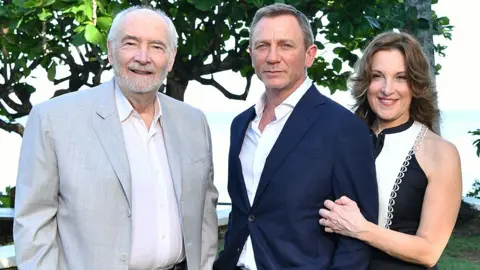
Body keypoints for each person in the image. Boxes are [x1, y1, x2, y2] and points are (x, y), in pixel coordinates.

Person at [13, 6, 218, 270]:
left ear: (171, 57)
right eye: (130, 43)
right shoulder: (53, 118)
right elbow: (33, 223)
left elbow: (205, 213)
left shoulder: (194, 122)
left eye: (156, 46)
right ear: (110, 51)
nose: (143, 57)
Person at [213, 3, 378, 270]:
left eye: (286, 45)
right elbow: (245, 212)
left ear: (309, 55)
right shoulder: (240, 125)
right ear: (251, 53)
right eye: (263, 45)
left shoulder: (344, 128)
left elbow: (357, 239)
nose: (272, 57)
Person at [318, 31, 462, 270]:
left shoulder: (441, 153)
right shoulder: (340, 138)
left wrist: (360, 228)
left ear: (415, 85)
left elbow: (429, 251)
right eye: (378, 76)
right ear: (366, 81)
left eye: (400, 77)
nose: (387, 89)